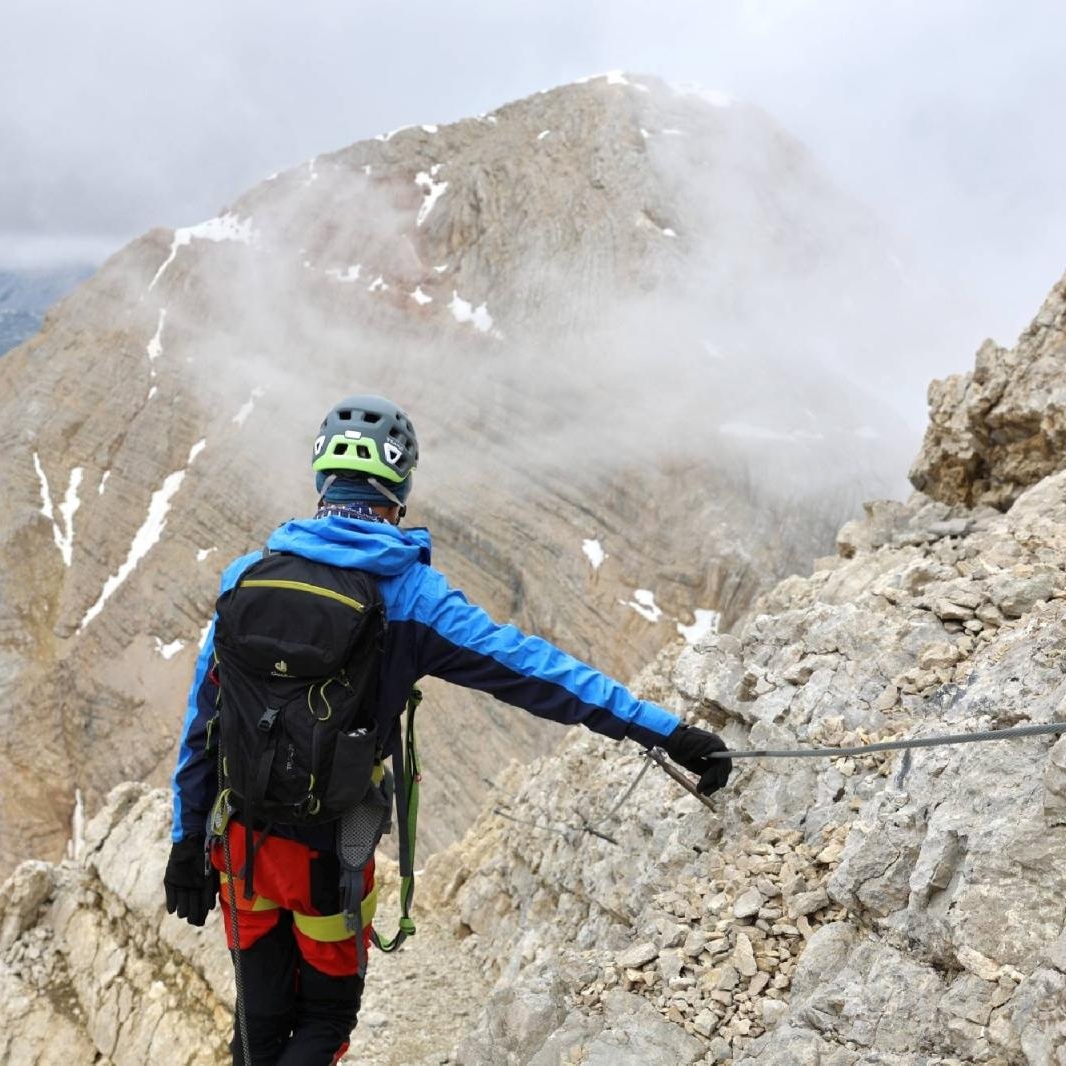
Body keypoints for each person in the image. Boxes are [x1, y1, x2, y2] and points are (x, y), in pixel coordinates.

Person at [164, 394, 732, 1064]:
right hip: (326, 858)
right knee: (324, 1021)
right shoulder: (410, 597)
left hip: (239, 851)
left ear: (322, 481)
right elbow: (539, 673)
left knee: (258, 1028)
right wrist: (664, 730)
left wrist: (184, 847)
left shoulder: (244, 578)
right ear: (399, 488)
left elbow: (203, 725)